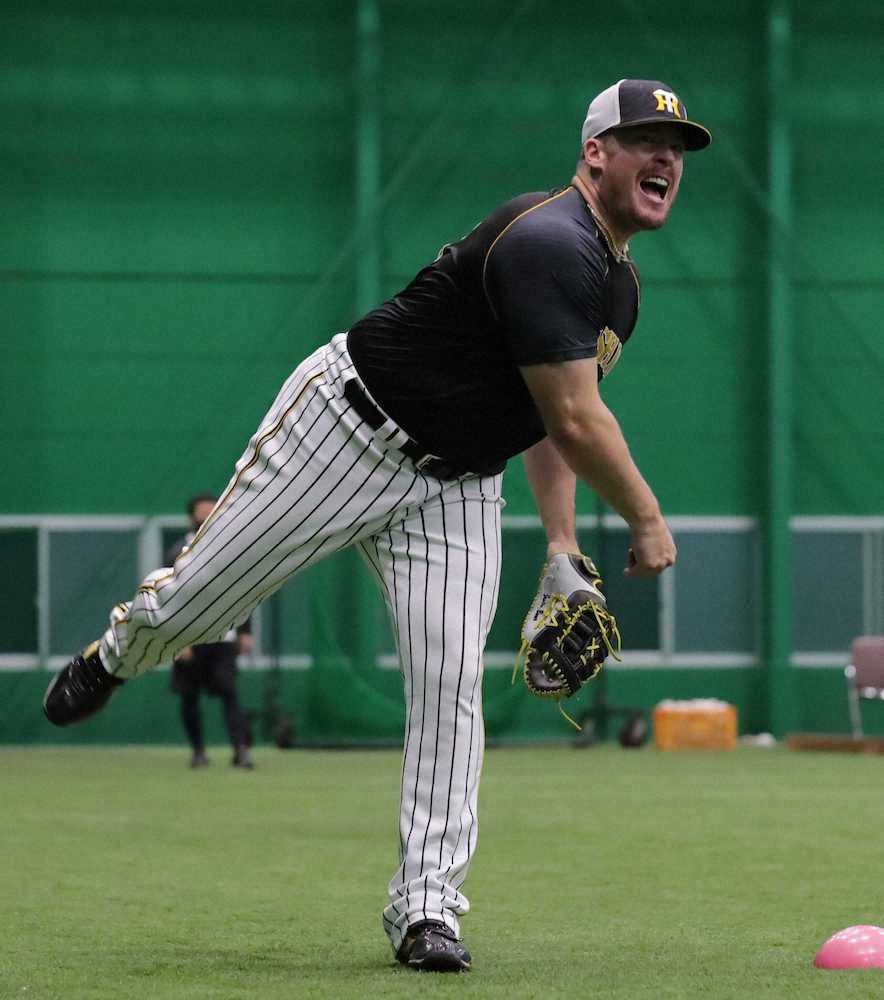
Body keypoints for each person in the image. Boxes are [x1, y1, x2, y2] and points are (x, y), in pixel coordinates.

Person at [43, 79, 710, 972]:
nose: (666, 156)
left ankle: (427, 909)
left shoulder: (616, 288)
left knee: (450, 689)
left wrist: (561, 546)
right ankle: (118, 652)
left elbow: (555, 417)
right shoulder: (550, 239)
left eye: (678, 146)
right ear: (596, 154)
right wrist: (648, 520)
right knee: (191, 610)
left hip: (456, 489)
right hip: (347, 432)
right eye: (643, 139)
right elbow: (586, 426)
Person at [167, 494, 255, 770]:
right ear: (191, 518)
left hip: (223, 637)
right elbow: (168, 598)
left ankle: (241, 751)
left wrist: (245, 631)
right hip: (189, 637)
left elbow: (243, 590)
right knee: (189, 696)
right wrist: (177, 641)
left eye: (211, 513)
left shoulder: (230, 547)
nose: (206, 519)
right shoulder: (178, 552)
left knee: (230, 692)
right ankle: (198, 752)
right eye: (201, 514)